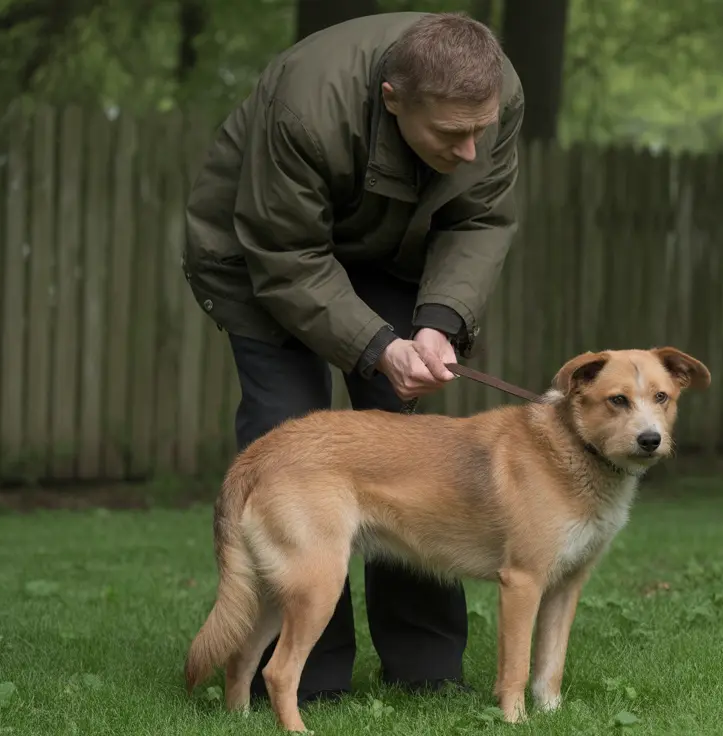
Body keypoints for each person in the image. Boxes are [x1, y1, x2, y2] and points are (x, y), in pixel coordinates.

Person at [180, 11, 523, 705]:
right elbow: (288, 257)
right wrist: (376, 345)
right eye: (450, 133)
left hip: (391, 251)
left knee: (411, 447)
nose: (469, 150)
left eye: (479, 130)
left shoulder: (495, 93)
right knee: (288, 436)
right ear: (393, 98)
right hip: (263, 256)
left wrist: (438, 324)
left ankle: (426, 667)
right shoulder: (304, 107)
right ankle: (305, 677)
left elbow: (481, 218)